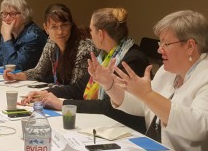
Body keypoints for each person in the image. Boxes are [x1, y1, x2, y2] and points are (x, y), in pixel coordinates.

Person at [88, 10, 208, 151]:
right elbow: (144, 105)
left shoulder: (205, 76)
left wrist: (148, 94)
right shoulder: (167, 71)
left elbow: (198, 128)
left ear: (190, 46)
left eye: (166, 43)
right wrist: (110, 85)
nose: (159, 49)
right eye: (160, 42)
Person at [21, 8, 149, 133]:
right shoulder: (105, 57)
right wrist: (44, 93)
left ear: (100, 34)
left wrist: (63, 104)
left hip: (128, 131)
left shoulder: (131, 60)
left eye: (91, 29)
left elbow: (110, 106)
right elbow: (80, 87)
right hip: (106, 123)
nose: (90, 33)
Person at [3, 3, 97, 85]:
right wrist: (16, 76)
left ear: (71, 25)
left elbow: (76, 89)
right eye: (54, 27)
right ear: (46, 28)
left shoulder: (84, 48)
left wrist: (47, 93)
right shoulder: (52, 42)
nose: (60, 32)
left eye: (64, 25)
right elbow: (39, 72)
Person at [0, 0, 47, 70]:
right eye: (4, 14)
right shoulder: (10, 32)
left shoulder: (34, 36)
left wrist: (7, 38)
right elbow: (0, 56)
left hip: (35, 80)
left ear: (24, 15)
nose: (7, 18)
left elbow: (15, 66)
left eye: (12, 14)